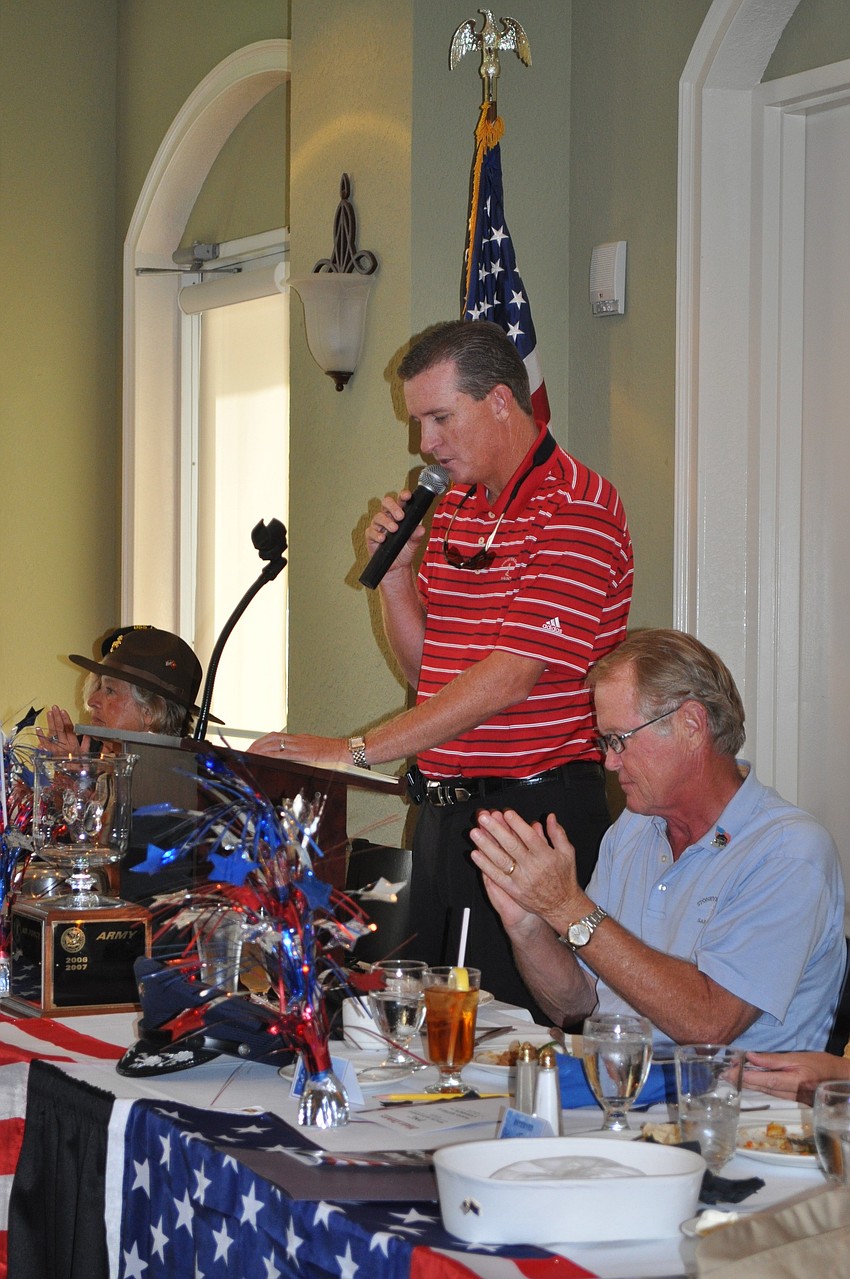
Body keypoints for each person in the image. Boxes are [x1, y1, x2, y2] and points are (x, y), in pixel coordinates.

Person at [249, 319, 633, 1014]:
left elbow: (511, 677)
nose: (424, 444)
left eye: (439, 418)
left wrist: (353, 751)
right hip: (443, 818)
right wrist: (396, 577)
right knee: (422, 1025)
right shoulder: (455, 507)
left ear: (500, 402)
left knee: (514, 1032)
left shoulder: (576, 506)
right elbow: (428, 673)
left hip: (532, 818)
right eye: (418, 421)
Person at [468, 628, 846, 1050]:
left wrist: (566, 906)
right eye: (604, 742)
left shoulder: (789, 851)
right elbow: (581, 1005)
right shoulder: (633, 829)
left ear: (691, 724)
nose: (609, 762)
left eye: (618, 740)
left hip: (730, 1090)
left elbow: (708, 1025)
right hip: (622, 1080)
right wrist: (529, 925)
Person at [36, 625, 204, 754]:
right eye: (99, 687)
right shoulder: (82, 751)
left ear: (149, 712)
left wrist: (78, 781)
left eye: (110, 690)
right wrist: (64, 773)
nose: (92, 701)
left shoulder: (185, 777)